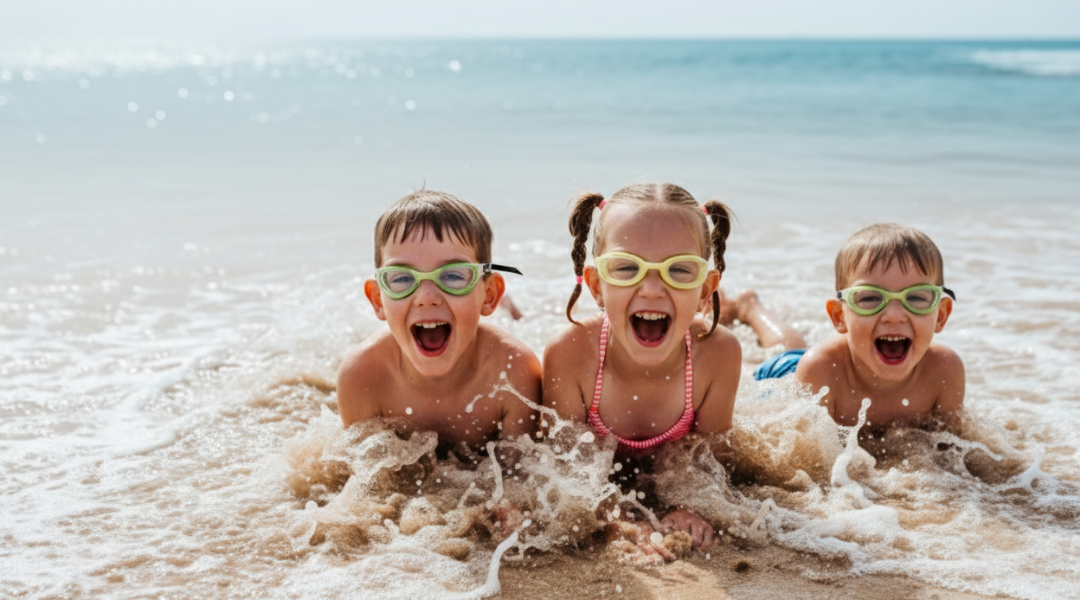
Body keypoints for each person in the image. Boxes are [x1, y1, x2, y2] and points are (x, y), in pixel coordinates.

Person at [542, 182, 742, 557]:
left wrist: (689, 508)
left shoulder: (717, 353)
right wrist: (615, 518)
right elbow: (563, 474)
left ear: (705, 290)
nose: (651, 288)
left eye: (680, 270)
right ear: (597, 286)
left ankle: (751, 309)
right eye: (626, 268)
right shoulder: (570, 353)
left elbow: (712, 463)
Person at [337, 190, 542, 454]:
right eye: (401, 278)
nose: (426, 297)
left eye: (453, 275)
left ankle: (508, 307)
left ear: (489, 295)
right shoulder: (362, 377)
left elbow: (522, 479)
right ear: (378, 300)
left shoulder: (514, 371)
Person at [747, 223, 964, 431]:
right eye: (870, 298)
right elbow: (807, 462)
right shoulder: (821, 372)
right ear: (839, 316)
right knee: (785, 349)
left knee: (794, 344)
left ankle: (748, 305)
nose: (894, 316)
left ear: (941, 316)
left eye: (916, 298)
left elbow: (948, 452)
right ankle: (750, 307)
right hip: (788, 370)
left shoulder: (944, 371)